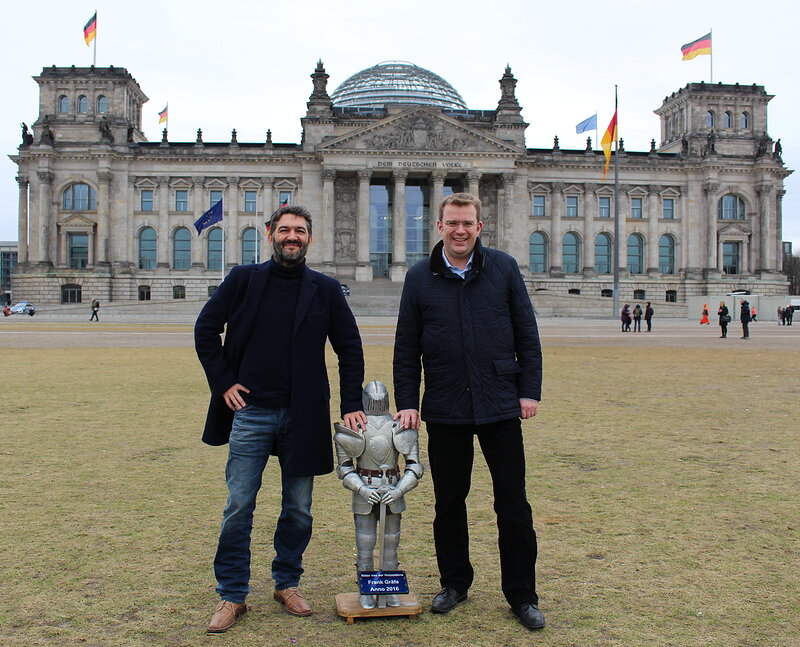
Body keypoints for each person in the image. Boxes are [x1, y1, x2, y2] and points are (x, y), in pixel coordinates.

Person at [195, 204, 366, 634]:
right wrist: (224, 382)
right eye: (285, 230)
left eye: (300, 231)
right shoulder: (243, 280)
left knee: (299, 510)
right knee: (239, 507)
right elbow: (205, 329)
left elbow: (350, 347)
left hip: (303, 417)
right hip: (250, 414)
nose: (292, 237)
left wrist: (350, 403)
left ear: (310, 238)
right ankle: (232, 595)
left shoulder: (325, 289)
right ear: (270, 233)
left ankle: (286, 583)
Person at [393, 192, 545, 631]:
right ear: (438, 227)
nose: (460, 231)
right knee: (449, 503)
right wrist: (407, 401)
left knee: (513, 504)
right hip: (445, 405)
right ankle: (455, 583)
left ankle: (522, 595)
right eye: (452, 223)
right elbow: (407, 347)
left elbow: (526, 334)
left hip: (499, 402)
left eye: (468, 223)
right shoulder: (419, 277)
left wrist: (527, 392)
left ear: (480, 227)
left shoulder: (504, 268)